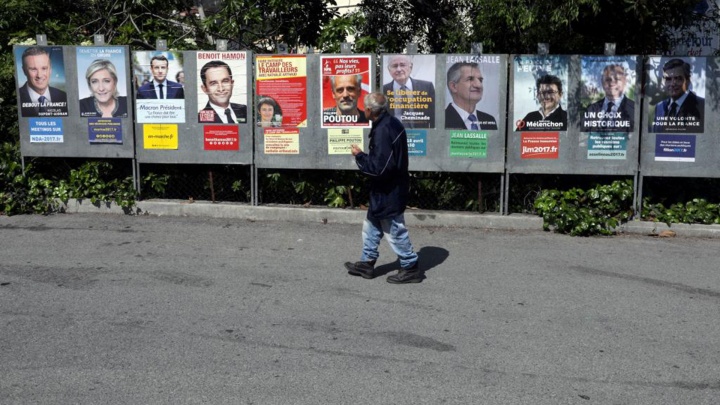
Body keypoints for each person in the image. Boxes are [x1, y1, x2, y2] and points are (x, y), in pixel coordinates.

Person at [345, 92, 422, 284]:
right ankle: (366, 263)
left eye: (365, 108)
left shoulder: (383, 130)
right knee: (371, 225)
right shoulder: (391, 123)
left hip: (389, 190)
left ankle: (410, 266)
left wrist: (360, 156)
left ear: (370, 110)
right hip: (385, 189)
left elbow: (380, 168)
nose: (364, 110)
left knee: (394, 229)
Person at [652, 58, 704, 133]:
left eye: (678, 79)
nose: (673, 84)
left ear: (688, 80)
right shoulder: (659, 107)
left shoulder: (702, 106)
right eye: (668, 79)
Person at [382, 55, 435, 128]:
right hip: (393, 136)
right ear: (389, 70)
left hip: (420, 137)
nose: (399, 69)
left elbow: (433, 117)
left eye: (402, 65)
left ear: (411, 67)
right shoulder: (383, 91)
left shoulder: (427, 87)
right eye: (394, 66)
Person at [445, 62, 497, 130]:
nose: (479, 85)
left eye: (480, 80)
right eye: (470, 79)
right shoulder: (441, 119)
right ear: (454, 86)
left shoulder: (489, 120)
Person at [18, 46, 68, 117]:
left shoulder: (64, 96)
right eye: (33, 69)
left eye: (44, 68)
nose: (39, 75)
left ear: (50, 69)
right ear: (24, 71)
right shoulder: (17, 98)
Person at [582, 64, 634, 132]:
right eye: (608, 79)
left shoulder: (635, 109)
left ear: (625, 81)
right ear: (602, 82)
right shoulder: (591, 109)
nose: (612, 83)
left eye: (617, 79)